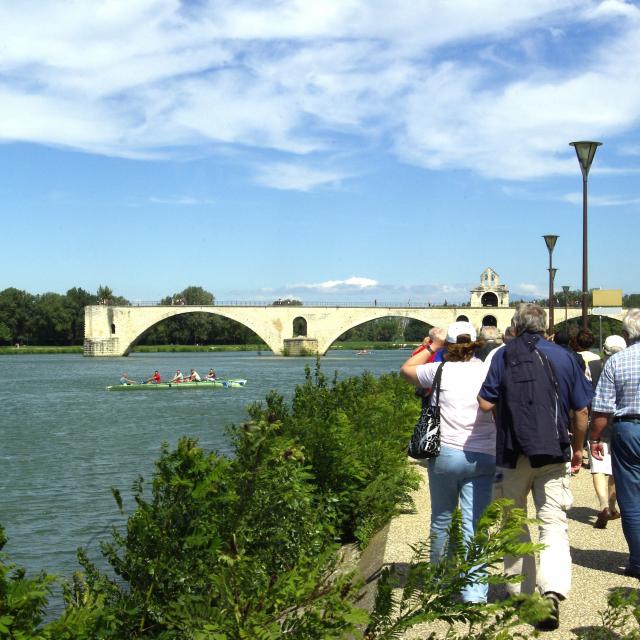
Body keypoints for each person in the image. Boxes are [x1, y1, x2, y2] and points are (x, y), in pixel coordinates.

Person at [477, 303, 593, 631]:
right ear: (544, 326)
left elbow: (485, 402)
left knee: (513, 522)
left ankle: (522, 593)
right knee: (553, 523)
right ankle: (553, 591)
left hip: (513, 453)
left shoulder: (502, 355)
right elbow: (581, 411)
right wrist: (577, 449)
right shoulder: (565, 356)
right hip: (553, 452)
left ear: (515, 325)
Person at [401, 321, 495, 603]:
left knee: (442, 518)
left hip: (444, 453)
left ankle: (440, 581)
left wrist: (433, 346)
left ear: (450, 346)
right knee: (475, 523)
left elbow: (405, 370)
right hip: (484, 455)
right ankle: (474, 591)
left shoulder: (437, 370)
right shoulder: (488, 370)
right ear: (476, 343)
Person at [590, 310, 640, 578]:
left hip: (628, 428)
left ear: (626, 335)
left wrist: (595, 437)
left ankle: (638, 561)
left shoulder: (616, 362)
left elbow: (602, 409)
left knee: (631, 499)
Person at [589, 335, 626, 528]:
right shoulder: (627, 364)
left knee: (598, 466)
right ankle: (612, 504)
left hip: (598, 420)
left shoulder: (594, 366)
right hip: (622, 422)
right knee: (616, 468)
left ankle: (603, 503)